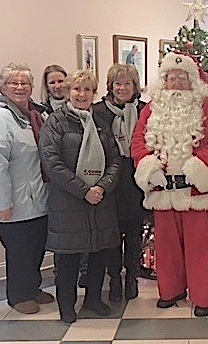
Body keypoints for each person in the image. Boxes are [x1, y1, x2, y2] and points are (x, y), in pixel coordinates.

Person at [131, 52, 208, 317]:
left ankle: (203, 297)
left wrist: (199, 170)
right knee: (167, 248)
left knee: (200, 248)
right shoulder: (151, 109)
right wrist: (149, 168)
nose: (176, 83)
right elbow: (138, 142)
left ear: (192, 80)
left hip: (196, 192)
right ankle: (171, 290)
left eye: (181, 78)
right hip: (163, 191)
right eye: (171, 78)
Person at [40, 69, 122, 324]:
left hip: (100, 201)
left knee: (98, 254)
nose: (82, 94)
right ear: (68, 91)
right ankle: (67, 306)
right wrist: (84, 190)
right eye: (77, 89)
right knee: (68, 259)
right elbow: (51, 164)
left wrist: (103, 187)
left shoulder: (100, 122)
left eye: (87, 89)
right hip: (69, 202)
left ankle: (94, 300)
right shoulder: (56, 122)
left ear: (94, 94)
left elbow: (115, 160)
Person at [0, 63, 54, 315]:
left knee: (35, 249)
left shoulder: (33, 116)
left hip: (35, 200)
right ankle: (18, 295)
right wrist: (2, 204)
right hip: (13, 203)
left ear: (32, 88)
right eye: (13, 83)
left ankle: (32, 288)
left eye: (25, 83)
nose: (20, 88)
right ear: (2, 87)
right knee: (20, 252)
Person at [92, 63, 149, 302]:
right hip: (110, 180)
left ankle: (132, 278)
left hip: (137, 180)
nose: (122, 88)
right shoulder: (98, 111)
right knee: (112, 235)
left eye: (127, 83)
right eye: (117, 83)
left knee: (135, 234)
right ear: (110, 86)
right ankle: (115, 278)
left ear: (135, 86)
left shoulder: (146, 110)